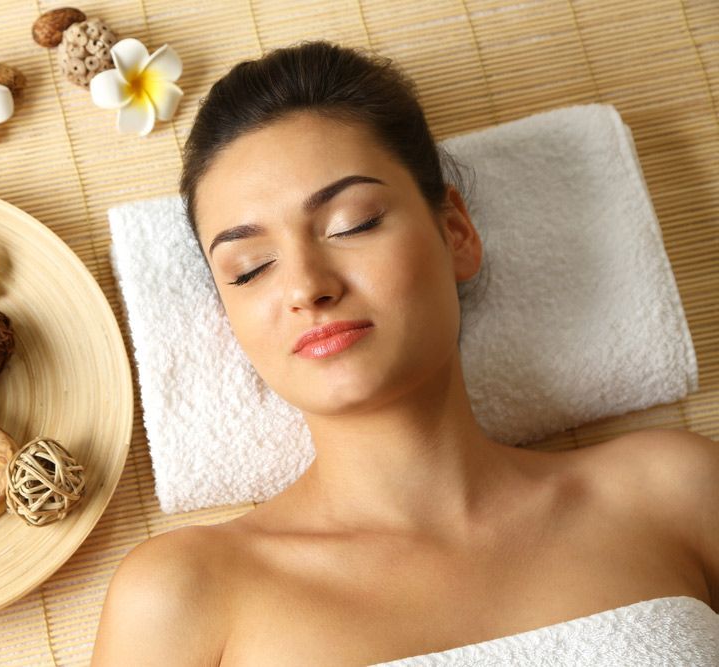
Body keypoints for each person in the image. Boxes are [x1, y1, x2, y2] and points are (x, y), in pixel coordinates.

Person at [91, 40, 718, 665]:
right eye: (251, 269)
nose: (308, 286)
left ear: (456, 234)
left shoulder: (674, 495)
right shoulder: (183, 596)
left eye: (353, 224)